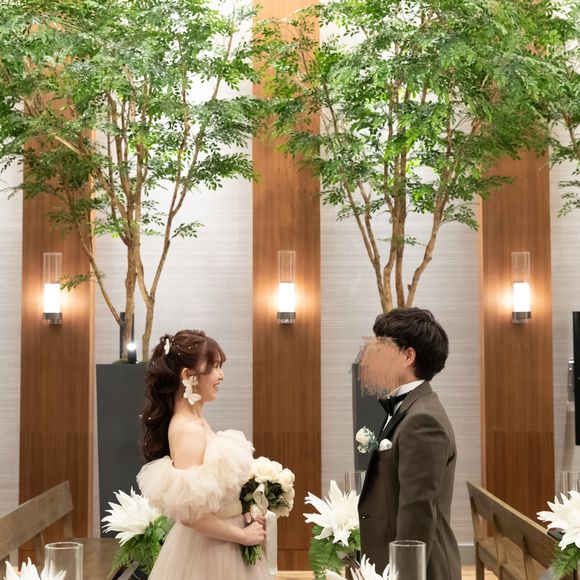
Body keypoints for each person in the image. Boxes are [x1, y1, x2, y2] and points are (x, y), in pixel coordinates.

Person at [137, 329, 271, 579]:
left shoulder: (196, 422)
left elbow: (212, 497)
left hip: (222, 545)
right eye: (214, 367)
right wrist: (242, 535)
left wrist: (245, 511)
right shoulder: (187, 429)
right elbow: (190, 515)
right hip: (210, 554)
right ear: (188, 376)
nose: (221, 375)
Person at [357, 308, 461, 579]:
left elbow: (417, 512)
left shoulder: (423, 420)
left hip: (419, 568)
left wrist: (404, 573)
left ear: (407, 356)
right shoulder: (410, 408)